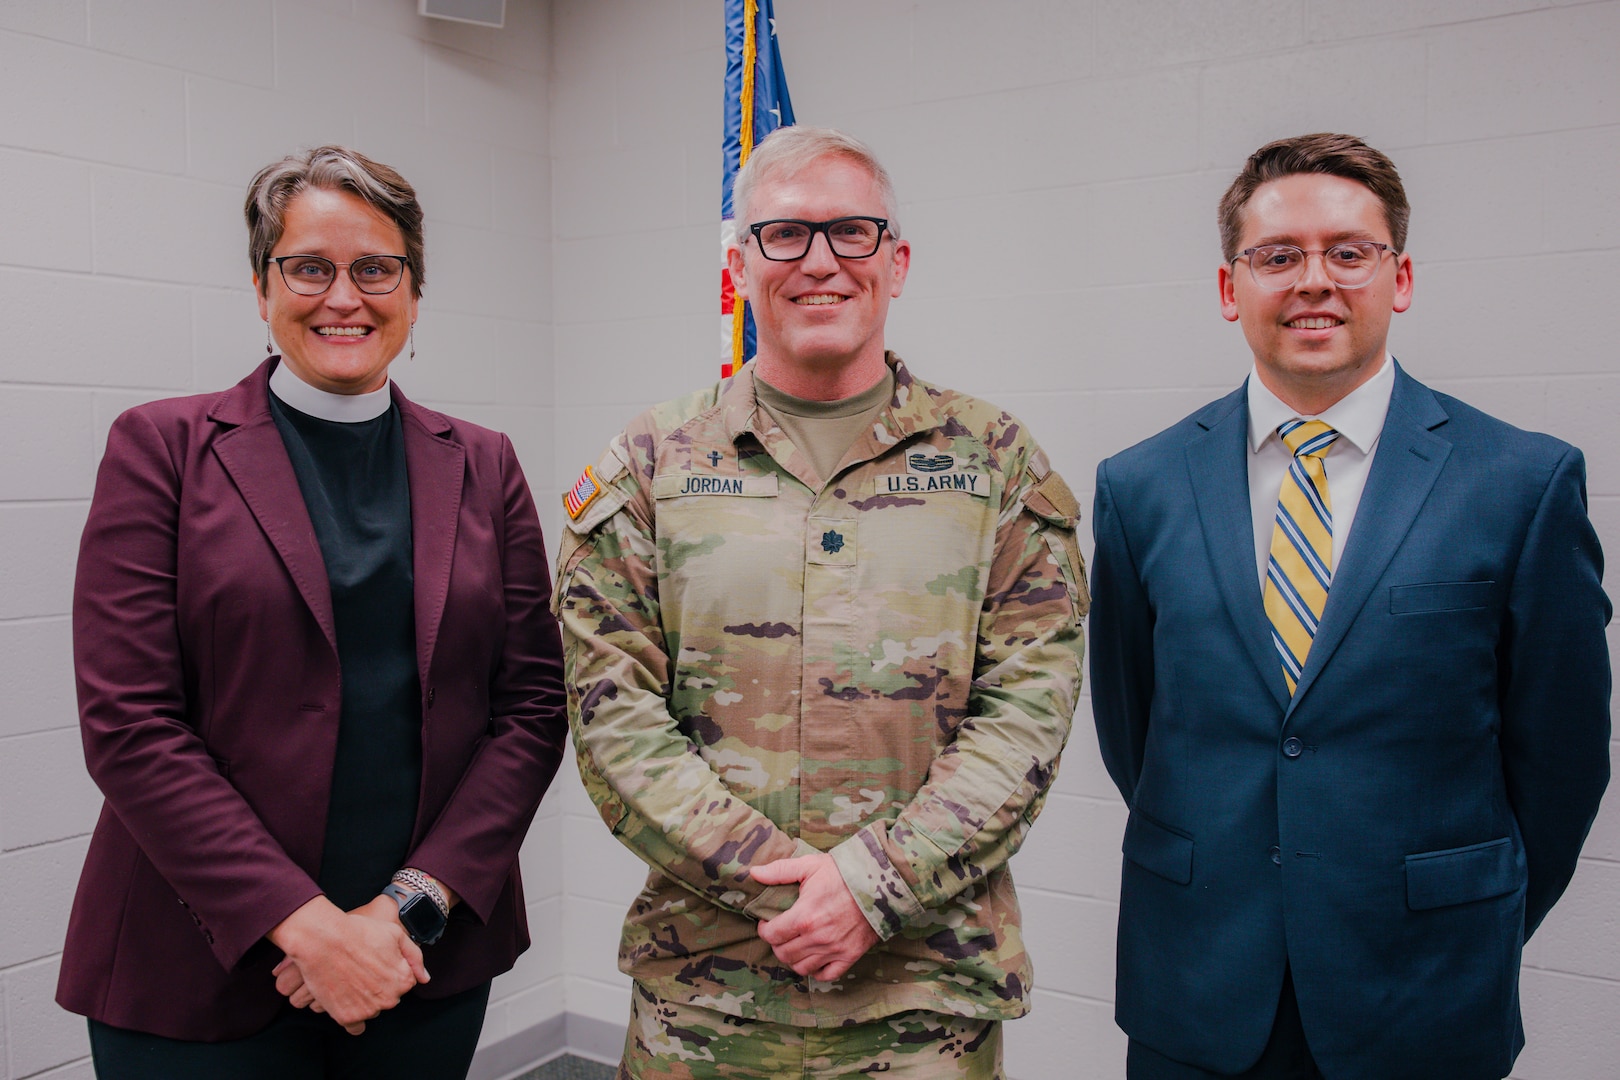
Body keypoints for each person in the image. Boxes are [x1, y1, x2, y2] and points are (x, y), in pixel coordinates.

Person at [554, 126, 1088, 1079]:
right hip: (706, 998)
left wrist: (874, 885)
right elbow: (612, 718)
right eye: (785, 236)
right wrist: (788, 891)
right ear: (740, 265)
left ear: (897, 260)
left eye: (852, 232)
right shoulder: (651, 462)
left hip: (924, 1001)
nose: (821, 263)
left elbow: (1029, 715)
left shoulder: (995, 459)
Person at [1088, 132, 1612, 1080]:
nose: (1314, 280)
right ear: (1228, 288)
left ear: (1399, 278)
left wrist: (1468, 910)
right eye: (1277, 256)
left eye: (1349, 252)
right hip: (1198, 984)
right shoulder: (1141, 486)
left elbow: (1562, 756)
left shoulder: (1520, 481)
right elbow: (1136, 731)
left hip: (1424, 988)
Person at [56, 145, 569, 1079]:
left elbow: (532, 711)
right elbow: (129, 724)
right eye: (309, 268)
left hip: (419, 957)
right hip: (196, 963)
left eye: (377, 268)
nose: (345, 297)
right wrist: (310, 930)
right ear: (262, 288)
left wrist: (402, 912)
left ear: (415, 293)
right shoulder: (161, 449)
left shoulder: (485, 464)